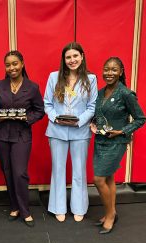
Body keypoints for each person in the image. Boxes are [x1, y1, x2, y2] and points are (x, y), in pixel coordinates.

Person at [90, 57, 146, 234]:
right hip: (101, 140)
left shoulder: (126, 94)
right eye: (106, 69)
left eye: (114, 70)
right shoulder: (100, 92)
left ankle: (110, 216)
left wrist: (122, 131)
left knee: (98, 180)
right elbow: (99, 114)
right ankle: (111, 211)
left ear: (121, 72)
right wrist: (94, 123)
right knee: (108, 178)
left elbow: (141, 119)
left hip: (117, 142)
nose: (109, 73)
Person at [44, 42, 98, 222]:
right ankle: (58, 207)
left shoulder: (91, 79)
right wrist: (56, 118)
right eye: (68, 57)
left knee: (79, 171)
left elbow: (92, 107)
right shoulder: (54, 77)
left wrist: (79, 121)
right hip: (57, 130)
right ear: (63, 59)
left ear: (82, 56)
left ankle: (79, 207)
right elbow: (47, 103)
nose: (72, 60)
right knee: (58, 170)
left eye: (75, 56)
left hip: (80, 132)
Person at [0, 50, 44, 227]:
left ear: (22, 63)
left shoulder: (33, 87)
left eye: (15, 63)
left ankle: (25, 210)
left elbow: (40, 110)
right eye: (8, 64)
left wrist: (27, 119)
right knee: (7, 171)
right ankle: (14, 206)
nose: (11, 67)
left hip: (22, 135)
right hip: (1, 135)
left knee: (20, 172)